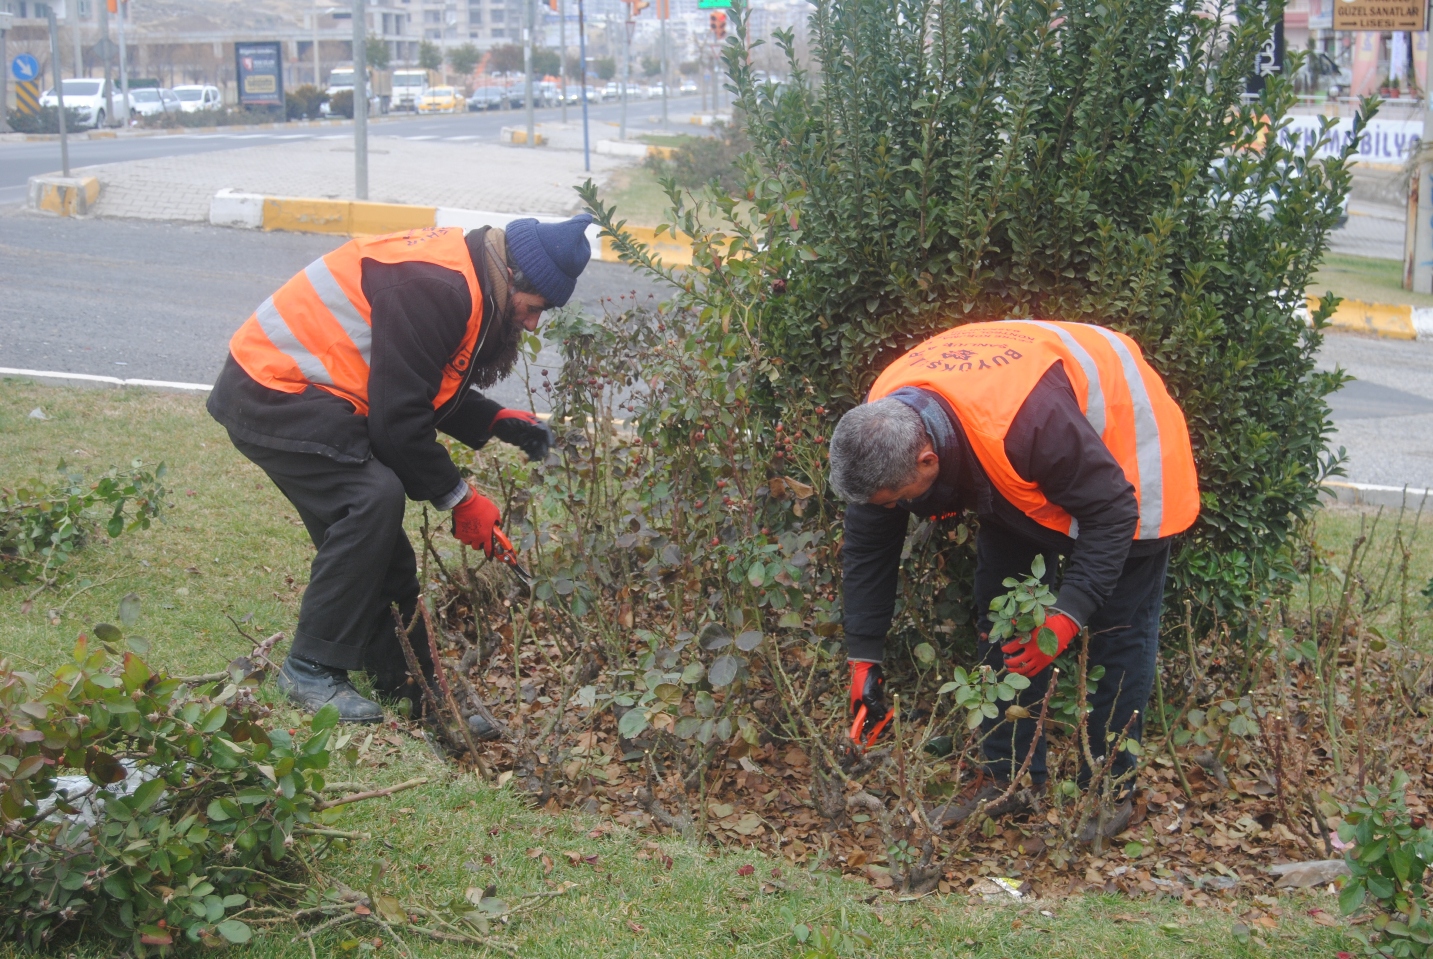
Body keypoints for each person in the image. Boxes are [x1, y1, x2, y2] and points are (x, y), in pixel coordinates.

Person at [207, 216, 594, 723]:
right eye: (535, 308)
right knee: (371, 498)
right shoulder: (438, 285)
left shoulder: (469, 271)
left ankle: (408, 685)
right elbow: (397, 422)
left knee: (379, 531)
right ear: (515, 274)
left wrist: (494, 420)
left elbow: (409, 378)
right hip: (270, 388)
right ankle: (309, 668)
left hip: (307, 392)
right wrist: (460, 499)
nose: (531, 323)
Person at [828, 319, 1199, 839]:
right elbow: (870, 543)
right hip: (1021, 468)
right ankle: (1011, 782)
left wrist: (1067, 616)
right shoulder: (883, 418)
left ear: (927, 459)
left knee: (1120, 630)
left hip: (1129, 461)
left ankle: (1110, 790)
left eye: (898, 500)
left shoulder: (1027, 424)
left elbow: (1113, 510)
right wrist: (863, 655)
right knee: (1001, 616)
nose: (894, 512)